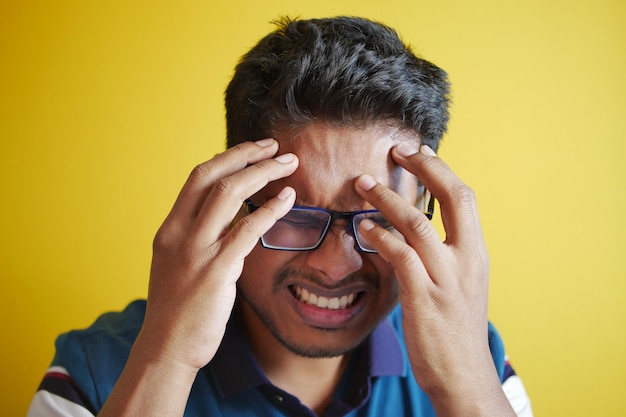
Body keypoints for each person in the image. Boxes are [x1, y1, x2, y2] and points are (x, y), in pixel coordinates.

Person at [28, 16, 532, 417]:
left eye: (380, 219)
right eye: (294, 212)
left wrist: (467, 390)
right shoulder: (92, 378)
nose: (336, 267)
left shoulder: (478, 363)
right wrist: (165, 360)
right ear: (227, 206)